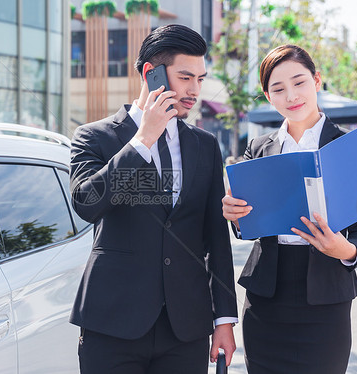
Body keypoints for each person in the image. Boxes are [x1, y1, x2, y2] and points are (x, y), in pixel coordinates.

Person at [69, 24, 238, 374]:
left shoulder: (204, 145)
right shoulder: (94, 137)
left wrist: (224, 319)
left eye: (200, 79)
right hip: (112, 324)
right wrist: (143, 140)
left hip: (185, 328)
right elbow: (87, 203)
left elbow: (215, 237)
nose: (194, 90)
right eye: (185, 77)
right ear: (152, 73)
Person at [222, 44, 357, 374]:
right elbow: (244, 229)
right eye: (278, 89)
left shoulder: (349, 149)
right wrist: (234, 214)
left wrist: (344, 249)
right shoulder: (257, 149)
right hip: (265, 301)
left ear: (317, 81)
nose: (291, 95)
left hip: (326, 302)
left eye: (299, 82)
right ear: (268, 97)